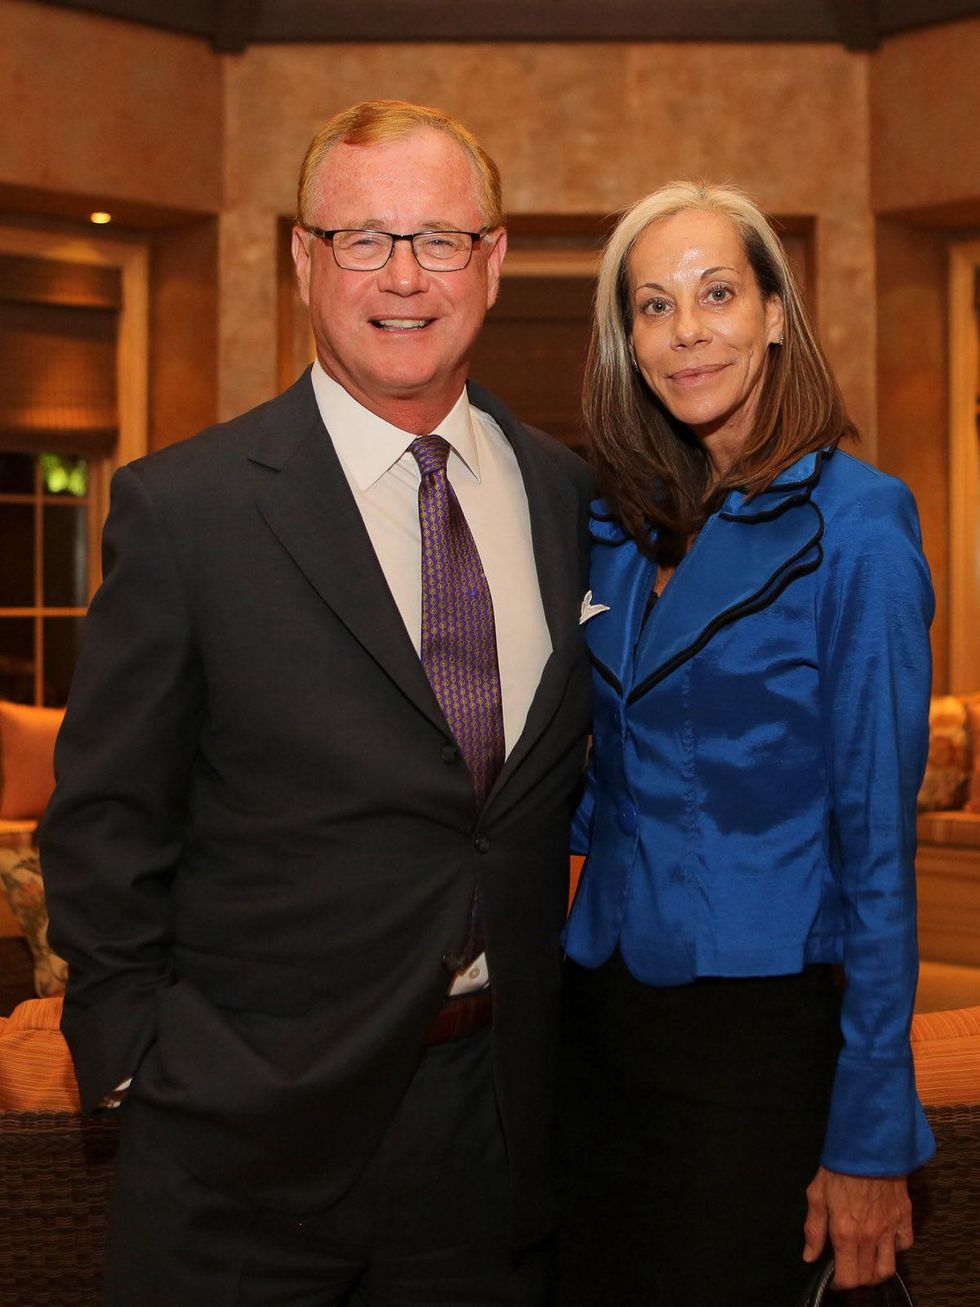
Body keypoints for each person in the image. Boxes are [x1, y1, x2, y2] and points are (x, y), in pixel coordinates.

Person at [40, 99, 593, 1307]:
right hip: (242, 1152)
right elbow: (104, 824)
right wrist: (140, 1065)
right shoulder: (185, 511)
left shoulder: (567, 496)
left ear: (492, 262)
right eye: (361, 239)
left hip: (498, 1138)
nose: (403, 277)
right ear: (303, 259)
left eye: (439, 239)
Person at [557, 180, 935, 1306]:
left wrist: (870, 1129)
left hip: (765, 1031)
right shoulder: (612, 527)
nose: (685, 331)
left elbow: (876, 845)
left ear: (776, 311)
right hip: (605, 1014)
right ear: (625, 337)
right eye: (652, 304)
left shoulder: (857, 526)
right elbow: (604, 776)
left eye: (716, 292)